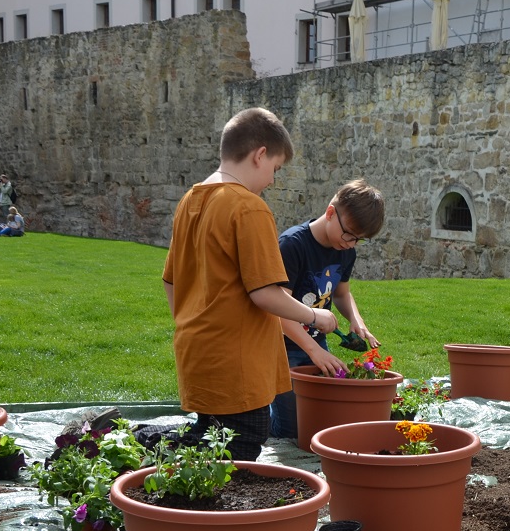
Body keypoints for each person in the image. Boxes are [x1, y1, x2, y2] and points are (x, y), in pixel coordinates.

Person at [158, 106, 336, 462]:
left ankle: (145, 456)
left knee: (209, 441)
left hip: (197, 352)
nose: (272, 181)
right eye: (275, 168)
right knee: (241, 445)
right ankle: (141, 452)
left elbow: (170, 282)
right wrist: (316, 317)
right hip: (236, 362)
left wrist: (193, 324)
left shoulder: (189, 200)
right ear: (259, 155)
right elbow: (265, 293)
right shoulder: (248, 207)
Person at [268, 179, 386, 440]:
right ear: (331, 213)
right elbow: (277, 311)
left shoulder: (346, 251)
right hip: (282, 348)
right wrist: (314, 351)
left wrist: (356, 320)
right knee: (290, 428)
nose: (351, 244)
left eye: (359, 240)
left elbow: (342, 293)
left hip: (316, 343)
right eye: (349, 235)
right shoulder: (293, 245)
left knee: (319, 416)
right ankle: (262, 424)